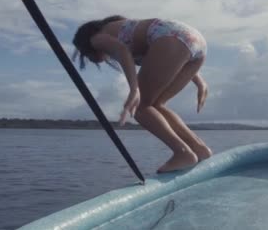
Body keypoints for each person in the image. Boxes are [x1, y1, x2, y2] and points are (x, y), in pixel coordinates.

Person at [72, 15, 213, 173]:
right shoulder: (121, 29)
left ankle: (183, 153)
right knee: (155, 105)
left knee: (139, 107)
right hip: (195, 43)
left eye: (85, 54)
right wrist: (199, 80)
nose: (89, 58)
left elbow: (122, 50)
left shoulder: (95, 38)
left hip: (174, 38)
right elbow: (178, 51)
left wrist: (134, 89)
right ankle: (199, 148)